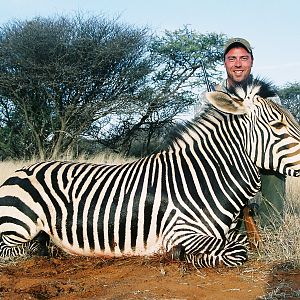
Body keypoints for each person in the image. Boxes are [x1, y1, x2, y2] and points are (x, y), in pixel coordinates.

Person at [203, 38, 286, 229]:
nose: (238, 64)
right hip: (222, 161)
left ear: (252, 61)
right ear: (225, 63)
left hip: (257, 156)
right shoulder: (211, 97)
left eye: (243, 58)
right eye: (232, 59)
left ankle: (271, 230)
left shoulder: (269, 96)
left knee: (275, 166)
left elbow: (275, 135)